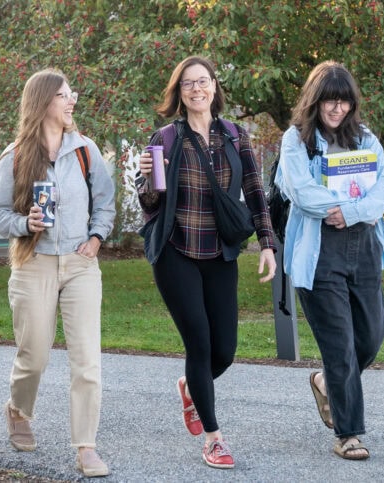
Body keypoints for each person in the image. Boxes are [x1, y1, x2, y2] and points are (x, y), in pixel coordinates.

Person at [137, 56, 276, 469]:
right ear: (178, 94)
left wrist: (267, 243)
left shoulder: (236, 136)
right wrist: (147, 178)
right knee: (198, 342)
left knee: (226, 351)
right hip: (176, 251)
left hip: (220, 252)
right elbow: (149, 203)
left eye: (203, 81)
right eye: (187, 84)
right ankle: (214, 439)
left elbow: (255, 191)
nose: (196, 89)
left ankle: (189, 387)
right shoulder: (164, 137)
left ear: (215, 86)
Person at [0, 68, 115, 477]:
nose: (71, 100)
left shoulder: (85, 150)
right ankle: (18, 410)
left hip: (80, 265)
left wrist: (96, 238)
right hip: (33, 264)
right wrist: (27, 224)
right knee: (35, 355)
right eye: (63, 95)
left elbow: (105, 202)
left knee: (86, 360)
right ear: (44, 102)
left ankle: (86, 446)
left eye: (71, 94)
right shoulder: (16, 156)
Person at [275, 60, 384, 460]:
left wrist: (352, 212)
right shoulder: (296, 140)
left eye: (343, 102)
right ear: (315, 101)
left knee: (373, 334)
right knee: (341, 346)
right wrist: (344, 207)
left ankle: (327, 384)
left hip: (363, 248)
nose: (336, 109)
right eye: (329, 101)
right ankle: (349, 434)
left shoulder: (365, 139)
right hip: (319, 252)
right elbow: (301, 189)